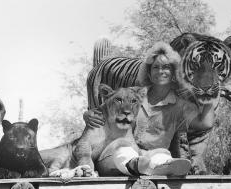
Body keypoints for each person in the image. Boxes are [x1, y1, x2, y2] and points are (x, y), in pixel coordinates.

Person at [83, 42, 215, 176]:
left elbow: (205, 123)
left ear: (174, 73)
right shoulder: (131, 93)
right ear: (149, 73)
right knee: (123, 148)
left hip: (149, 157)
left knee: (161, 154)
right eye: (155, 67)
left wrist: (211, 97)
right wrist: (88, 115)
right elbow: (102, 111)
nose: (160, 71)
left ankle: (161, 165)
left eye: (166, 67)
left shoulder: (181, 106)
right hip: (113, 157)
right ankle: (138, 164)